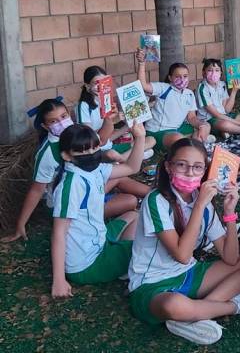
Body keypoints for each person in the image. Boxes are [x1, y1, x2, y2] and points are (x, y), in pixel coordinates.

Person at [128, 138, 240, 345]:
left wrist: (229, 213)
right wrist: (199, 205)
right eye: (182, 165)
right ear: (168, 167)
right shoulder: (156, 200)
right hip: (151, 284)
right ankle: (235, 305)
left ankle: (200, 311)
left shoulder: (203, 202)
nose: (190, 172)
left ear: (205, 170)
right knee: (174, 305)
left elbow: (230, 257)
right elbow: (182, 255)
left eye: (197, 167)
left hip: (189, 274)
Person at [2, 99, 142, 243]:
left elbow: (100, 140)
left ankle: (154, 193)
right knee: (130, 201)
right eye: (54, 121)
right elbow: (36, 190)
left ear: (68, 114)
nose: (61, 123)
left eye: (63, 116)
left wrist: (108, 119)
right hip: (70, 204)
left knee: (120, 180)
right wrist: (21, 224)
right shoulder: (48, 154)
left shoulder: (75, 132)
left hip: (89, 185)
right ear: (45, 126)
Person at [50, 122, 146, 298]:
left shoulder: (93, 169)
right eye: (83, 151)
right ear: (66, 156)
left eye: (94, 149)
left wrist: (140, 137)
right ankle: (128, 262)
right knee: (148, 247)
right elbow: (59, 232)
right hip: (86, 263)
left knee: (134, 215)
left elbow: (131, 168)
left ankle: (123, 261)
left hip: (98, 241)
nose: (91, 155)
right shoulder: (71, 185)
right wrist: (59, 280)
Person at [76, 65, 156, 162]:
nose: (101, 86)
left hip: (109, 144)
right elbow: (90, 138)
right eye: (96, 83)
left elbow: (108, 137)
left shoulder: (105, 101)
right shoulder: (83, 106)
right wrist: (111, 122)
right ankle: (124, 159)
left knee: (151, 140)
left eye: (103, 82)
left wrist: (128, 124)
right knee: (112, 154)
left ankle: (124, 158)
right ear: (87, 86)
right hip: (96, 150)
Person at [136, 50, 211, 150]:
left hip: (178, 129)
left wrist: (201, 125)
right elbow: (143, 86)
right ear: (170, 78)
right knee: (178, 138)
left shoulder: (189, 94)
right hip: (158, 131)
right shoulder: (164, 88)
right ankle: (193, 141)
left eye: (185, 76)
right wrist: (141, 64)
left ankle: (192, 141)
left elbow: (192, 117)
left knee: (206, 126)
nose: (182, 79)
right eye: (178, 76)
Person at [196, 58, 240, 135]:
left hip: (225, 116)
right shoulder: (202, 88)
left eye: (217, 70)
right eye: (210, 70)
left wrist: (234, 91)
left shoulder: (221, 84)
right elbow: (216, 114)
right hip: (211, 120)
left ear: (221, 73)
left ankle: (232, 130)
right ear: (203, 73)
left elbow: (227, 110)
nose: (213, 74)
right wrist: (239, 123)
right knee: (225, 125)